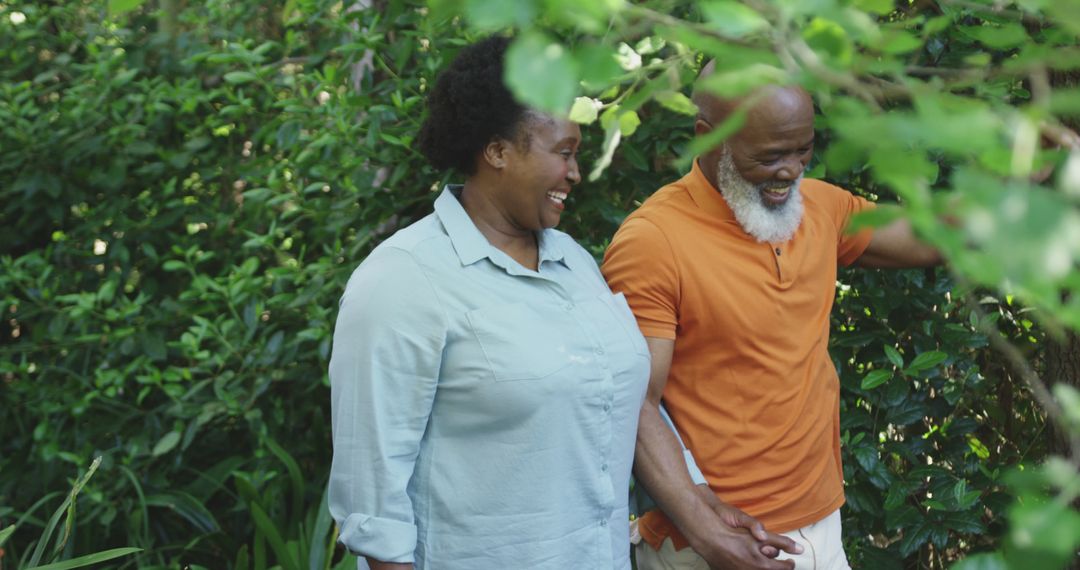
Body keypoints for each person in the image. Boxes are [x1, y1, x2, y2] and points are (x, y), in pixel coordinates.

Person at [327, 35, 654, 569]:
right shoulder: (403, 280)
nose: (575, 173)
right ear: (498, 152)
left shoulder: (573, 262)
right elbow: (373, 499)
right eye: (563, 153)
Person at [602, 60, 943, 570]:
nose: (791, 170)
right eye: (769, 155)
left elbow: (930, 236)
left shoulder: (820, 208)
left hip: (820, 524)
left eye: (803, 149)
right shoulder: (653, 241)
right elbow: (633, 404)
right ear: (705, 138)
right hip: (712, 543)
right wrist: (708, 532)